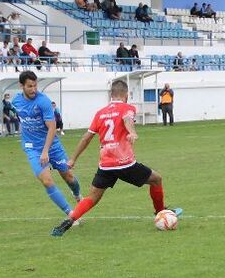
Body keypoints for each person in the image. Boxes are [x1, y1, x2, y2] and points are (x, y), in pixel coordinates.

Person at [50, 78, 180, 237]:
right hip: (125, 164)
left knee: (92, 197)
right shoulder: (127, 107)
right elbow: (127, 119)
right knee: (156, 179)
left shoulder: (100, 113)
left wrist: (72, 159)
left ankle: (70, 219)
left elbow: (86, 138)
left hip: (105, 165)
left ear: (111, 95)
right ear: (126, 95)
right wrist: (132, 132)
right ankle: (160, 211)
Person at [12, 71, 82, 219]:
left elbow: (52, 127)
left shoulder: (43, 101)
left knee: (68, 176)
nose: (33, 89)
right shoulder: (16, 102)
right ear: (21, 86)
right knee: (47, 181)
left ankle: (77, 195)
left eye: (35, 85)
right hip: (32, 148)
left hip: (52, 146)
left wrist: (45, 151)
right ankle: (71, 214)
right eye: (29, 86)